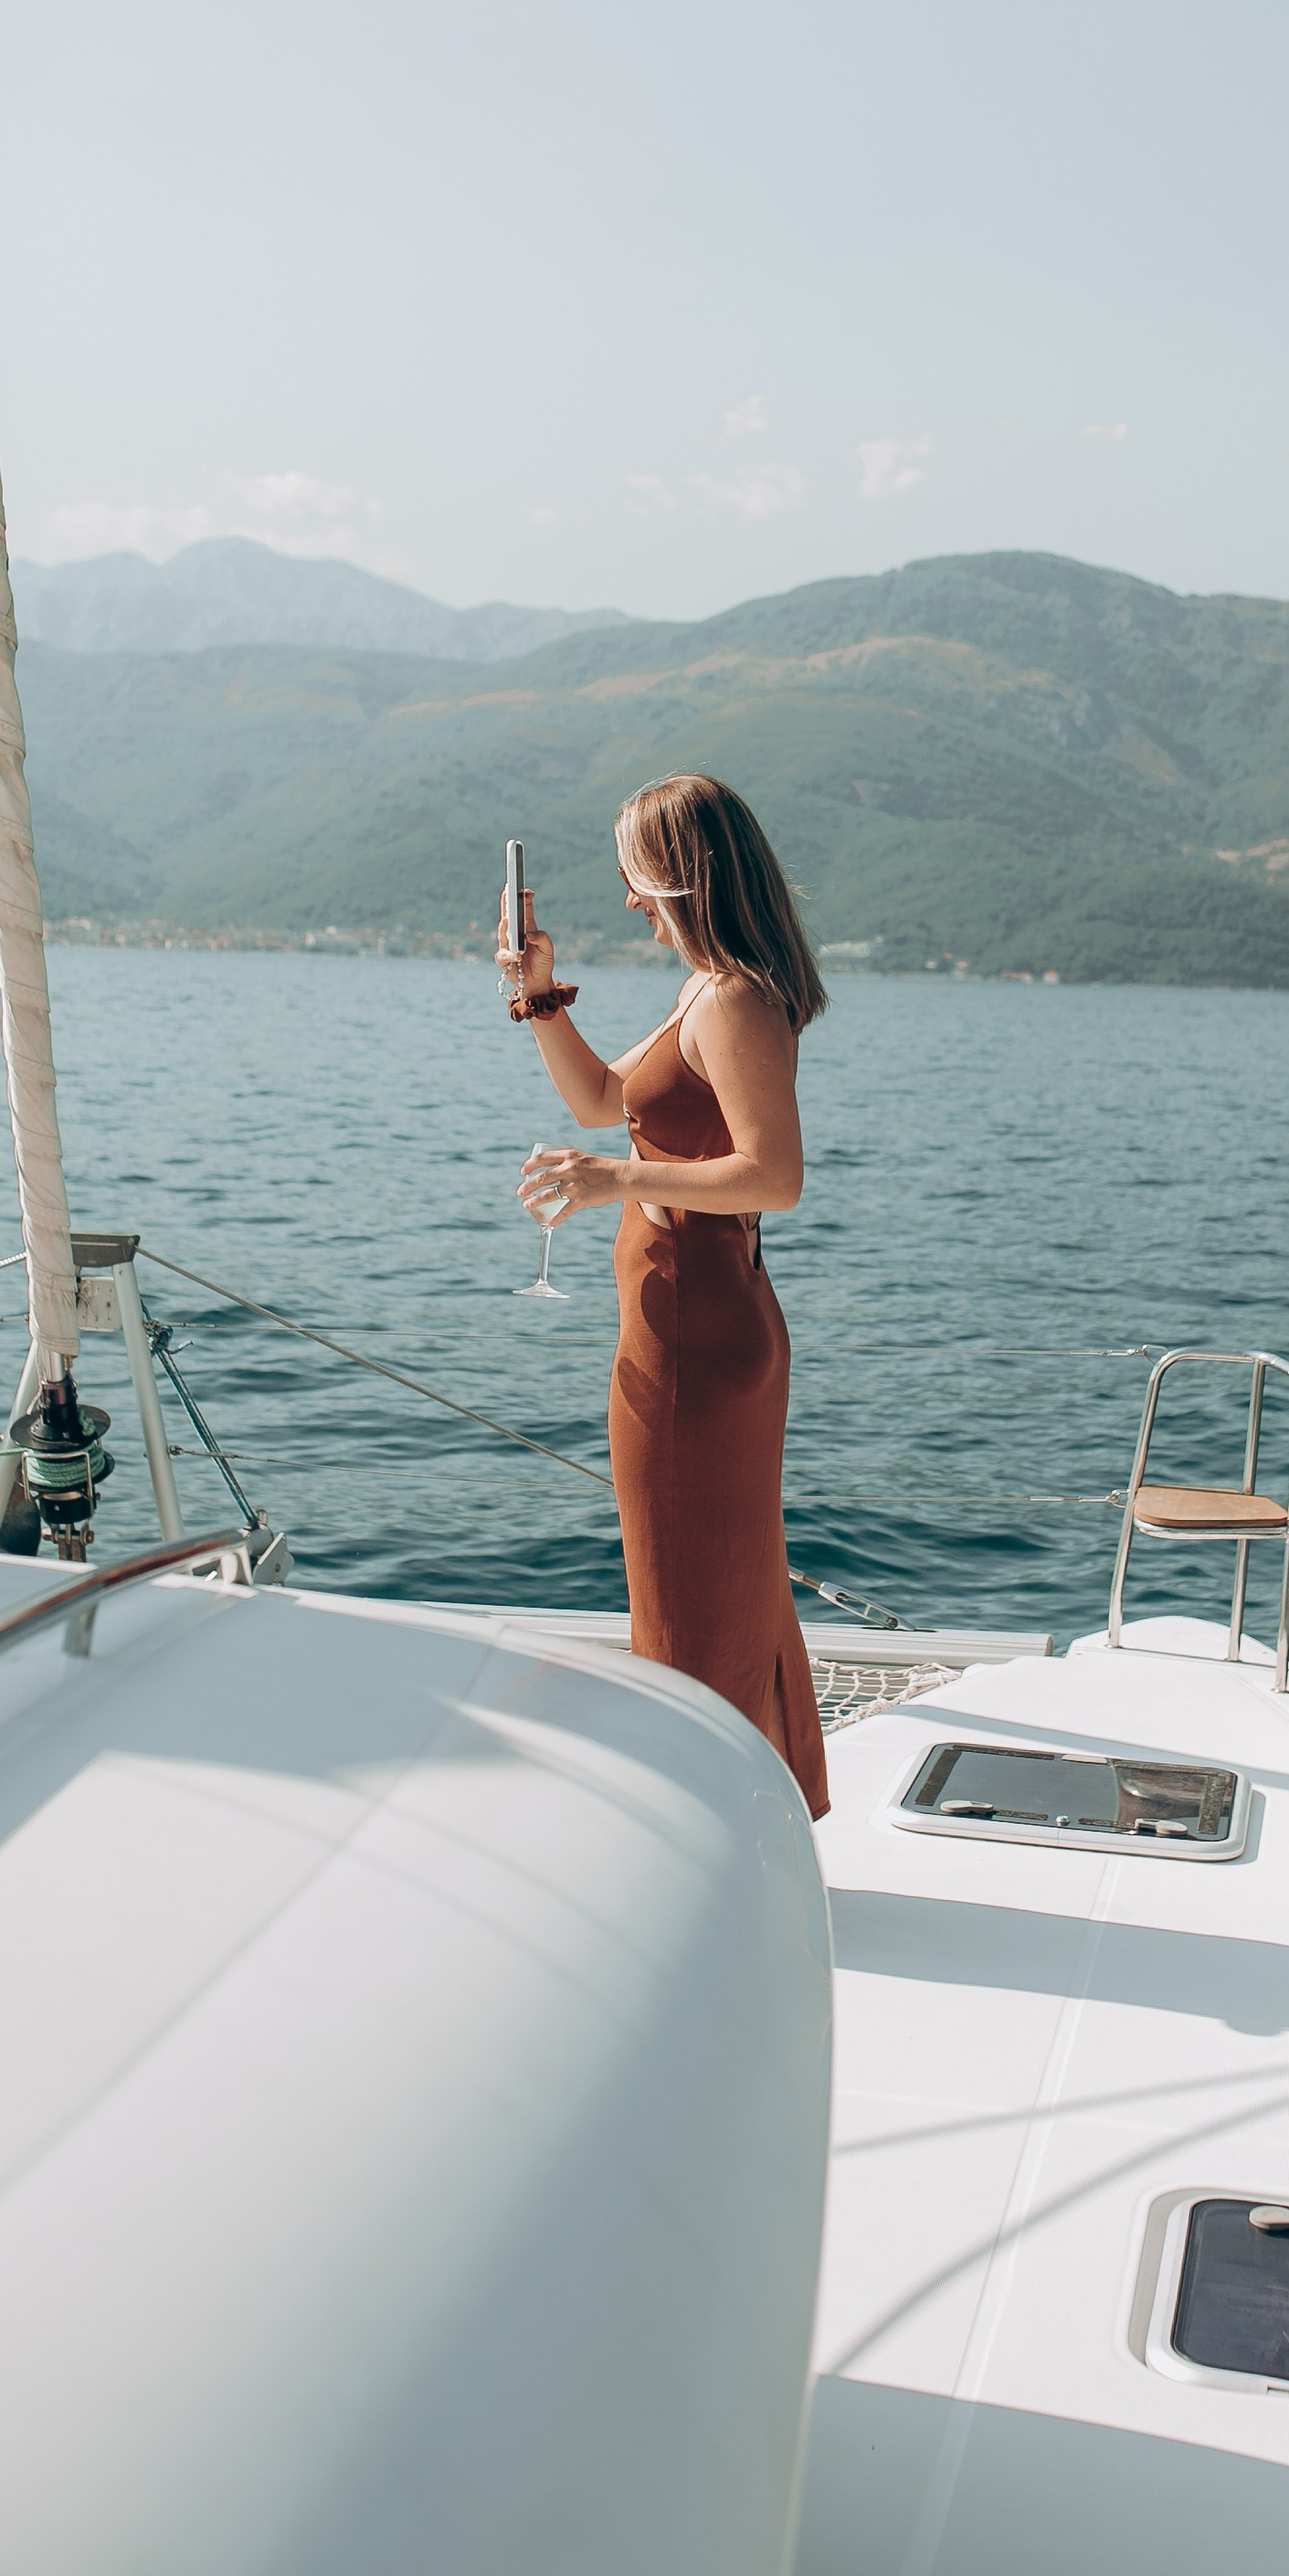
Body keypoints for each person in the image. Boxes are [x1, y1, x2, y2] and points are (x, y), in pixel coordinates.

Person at [500, 774, 832, 1819]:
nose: (631, 903)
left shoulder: (732, 999)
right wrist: (538, 993)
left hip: (695, 1339)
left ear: (682, 877)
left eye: (638, 882)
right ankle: (752, 1822)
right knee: (710, 1587)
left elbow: (772, 1174)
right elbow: (604, 1101)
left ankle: (712, 1831)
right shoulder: (704, 993)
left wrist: (620, 1181)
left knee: (692, 1595)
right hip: (682, 1329)